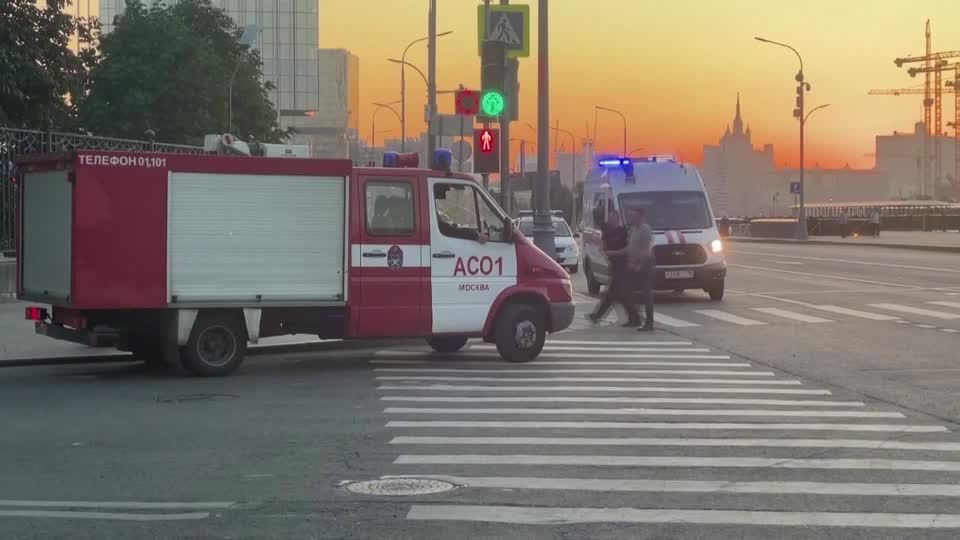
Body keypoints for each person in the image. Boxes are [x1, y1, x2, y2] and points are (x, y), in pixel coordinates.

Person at [588, 210, 640, 326]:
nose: (611, 221)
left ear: (617, 220)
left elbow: (627, 250)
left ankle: (597, 316)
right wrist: (602, 247)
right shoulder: (607, 230)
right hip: (614, 265)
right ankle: (635, 318)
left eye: (613, 219)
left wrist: (612, 253)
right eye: (610, 219)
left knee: (614, 294)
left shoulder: (622, 232)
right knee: (618, 294)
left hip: (623, 265)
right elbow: (604, 244)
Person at [625, 207, 655, 332]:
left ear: (641, 217)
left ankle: (649, 323)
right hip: (633, 265)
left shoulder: (645, 229)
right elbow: (630, 247)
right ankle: (634, 319)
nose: (632, 218)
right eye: (631, 216)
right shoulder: (633, 229)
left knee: (646, 294)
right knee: (628, 292)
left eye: (634, 216)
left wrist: (639, 264)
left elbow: (646, 250)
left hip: (644, 265)